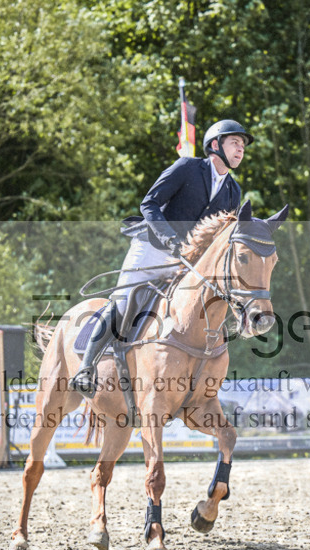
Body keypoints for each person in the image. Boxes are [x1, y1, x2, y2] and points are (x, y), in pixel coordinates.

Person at [70, 119, 254, 396]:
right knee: (124, 301)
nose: (240, 149)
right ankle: (86, 367)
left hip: (186, 261)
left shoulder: (233, 191)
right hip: (152, 246)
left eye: (243, 146)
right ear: (216, 145)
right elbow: (149, 203)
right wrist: (170, 238)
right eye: (235, 143)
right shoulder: (187, 167)